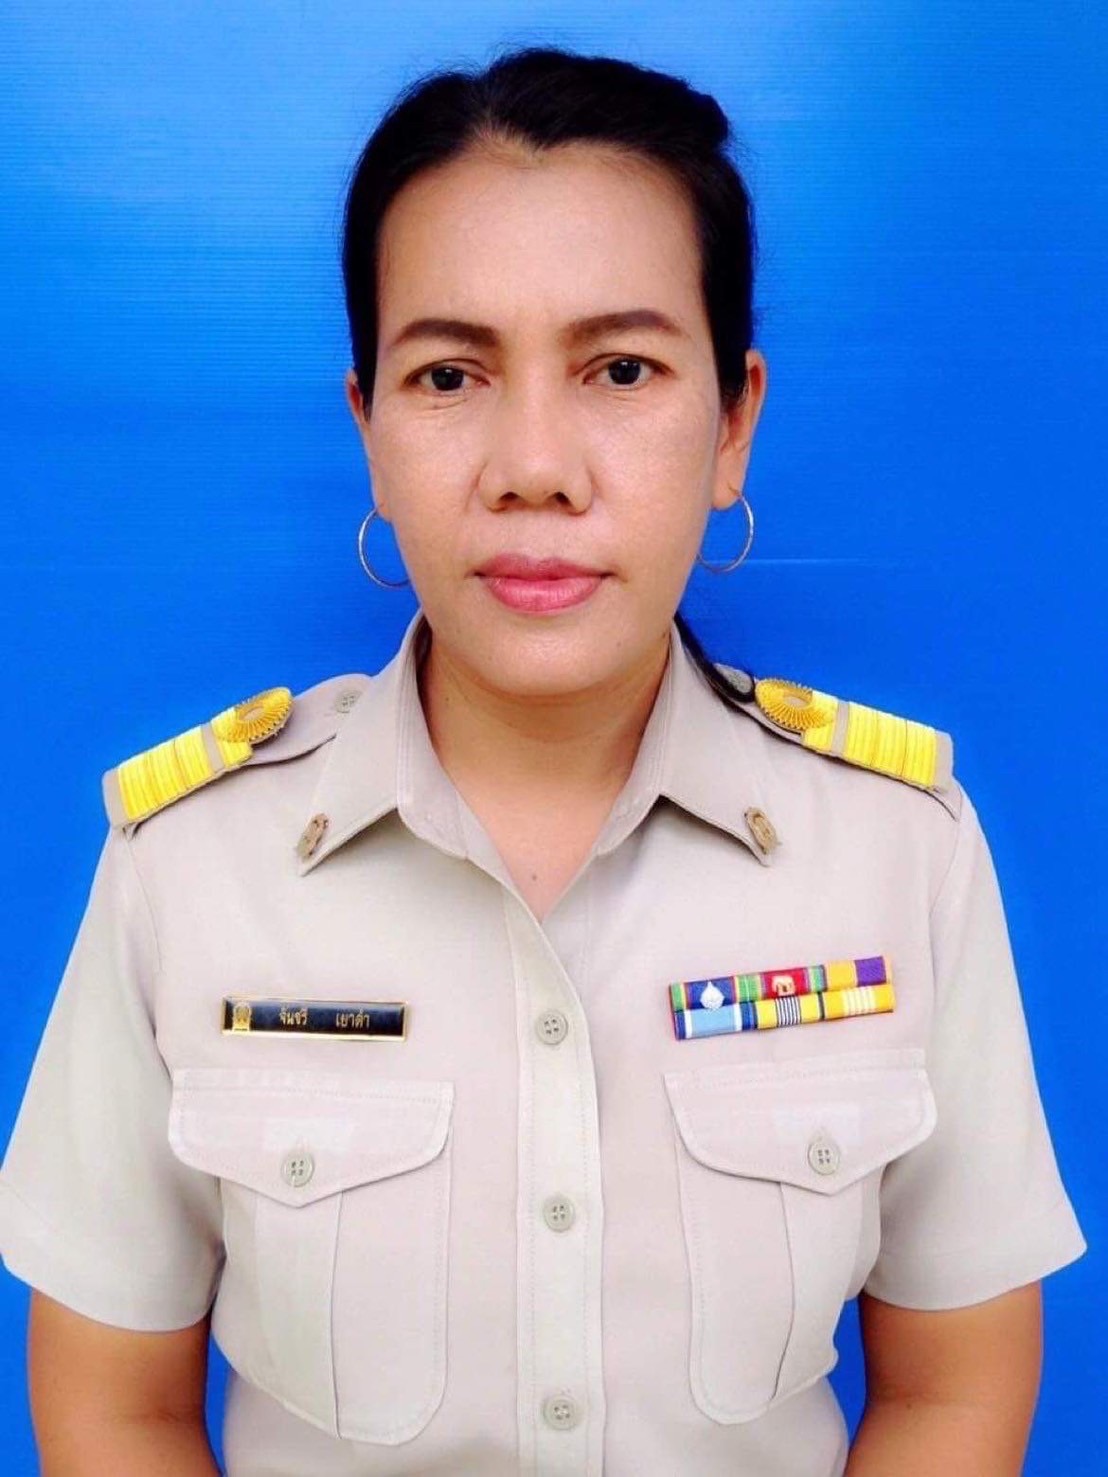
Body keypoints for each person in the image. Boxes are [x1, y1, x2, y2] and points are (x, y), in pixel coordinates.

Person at [0, 43, 1086, 1477]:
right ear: (369, 430)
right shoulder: (190, 866)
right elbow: (115, 1405)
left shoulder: (898, 850)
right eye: (449, 373)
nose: (534, 465)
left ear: (734, 421)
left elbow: (953, 1387)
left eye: (621, 368)